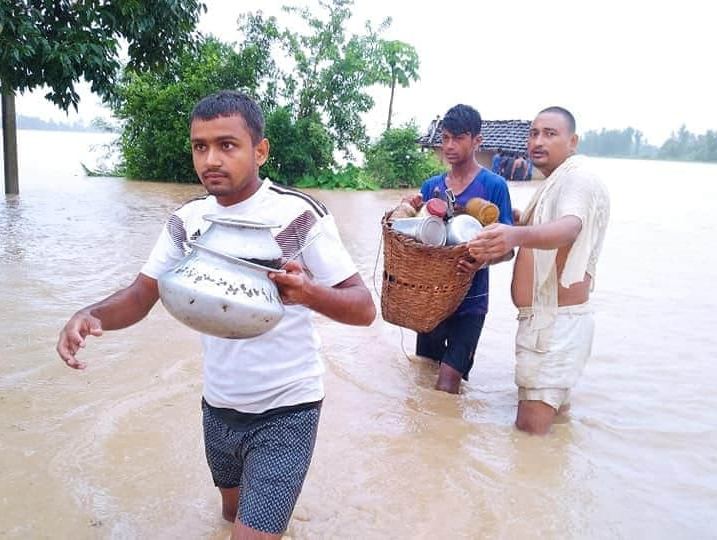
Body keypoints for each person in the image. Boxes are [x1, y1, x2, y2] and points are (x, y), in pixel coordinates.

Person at [56, 91, 376, 538]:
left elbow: (363, 308)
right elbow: (141, 295)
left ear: (259, 151)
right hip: (220, 405)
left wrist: (308, 293)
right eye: (199, 146)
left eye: (227, 145)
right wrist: (88, 314)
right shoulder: (188, 221)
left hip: (288, 406)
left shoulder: (297, 215)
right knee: (229, 516)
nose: (211, 159)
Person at [469, 106, 610, 435]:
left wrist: (514, 235)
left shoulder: (578, 177)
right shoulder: (557, 182)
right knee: (552, 435)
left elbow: (569, 228)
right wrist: (521, 221)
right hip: (550, 323)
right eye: (534, 133)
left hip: (554, 326)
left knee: (529, 438)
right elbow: (553, 228)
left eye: (550, 133)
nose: (538, 141)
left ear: (572, 141)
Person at [403, 104, 513, 394]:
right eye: (445, 138)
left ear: (477, 140)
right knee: (424, 374)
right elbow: (416, 241)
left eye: (458, 138)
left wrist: (480, 262)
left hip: (471, 303)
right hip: (431, 301)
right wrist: (407, 211)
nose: (449, 146)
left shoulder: (494, 186)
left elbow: (509, 248)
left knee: (449, 382)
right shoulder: (431, 188)